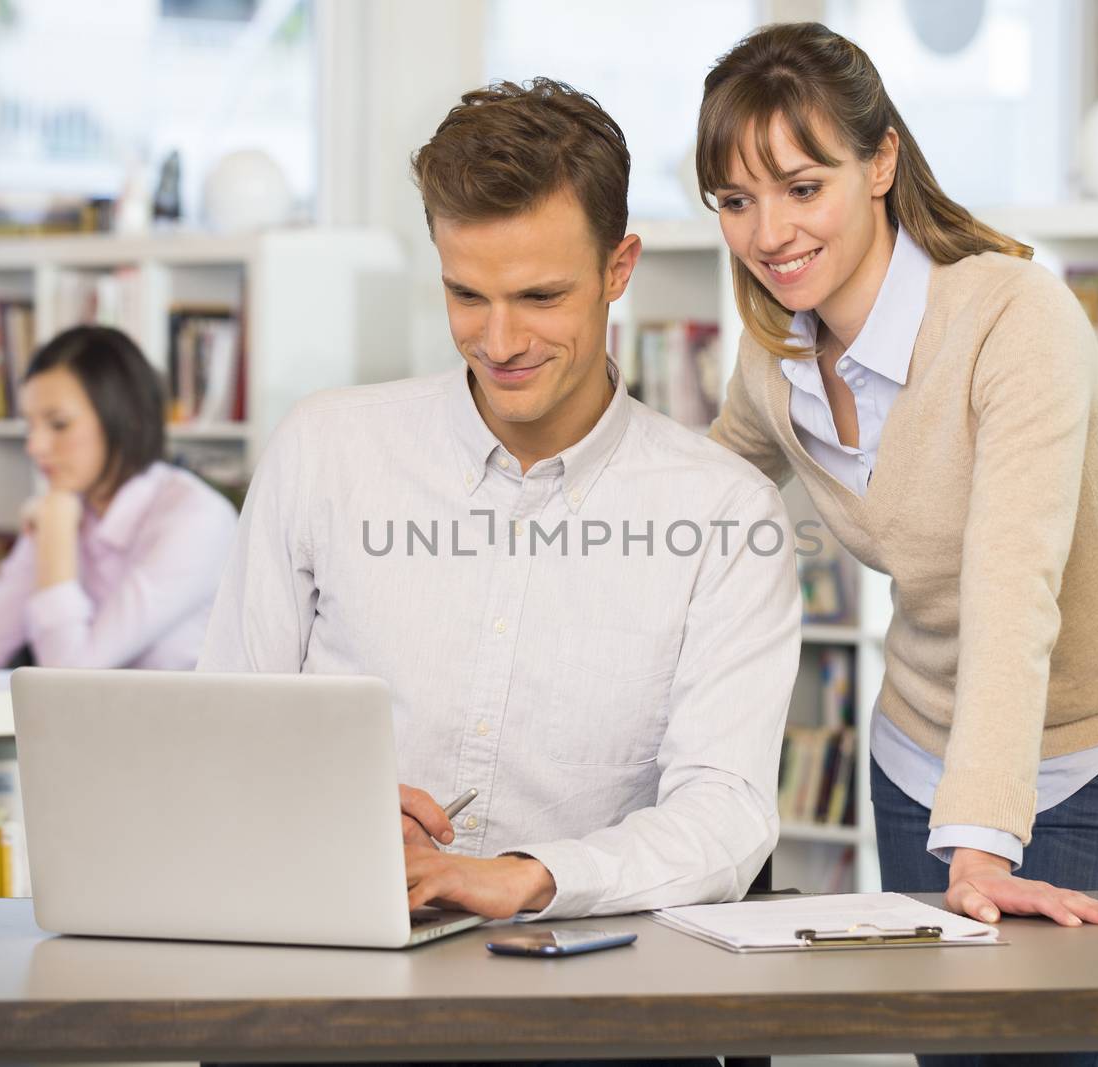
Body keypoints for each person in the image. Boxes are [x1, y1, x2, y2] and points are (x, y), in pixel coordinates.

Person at [698, 23, 1098, 1067]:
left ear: (882, 160)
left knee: (1031, 1057)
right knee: (948, 1055)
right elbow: (689, 502)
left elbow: (1011, 584)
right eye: (734, 200)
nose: (768, 232)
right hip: (919, 750)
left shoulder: (1011, 316)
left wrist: (979, 845)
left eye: (803, 187)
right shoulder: (777, 356)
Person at [198, 78, 800, 922]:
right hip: (340, 949)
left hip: (588, 989)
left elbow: (727, 815)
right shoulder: (324, 451)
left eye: (540, 297)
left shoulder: (724, 518)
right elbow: (222, 731)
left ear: (617, 268)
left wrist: (532, 875)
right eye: (467, 295)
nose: (501, 341)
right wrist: (322, 806)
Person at [0, 325, 238, 673]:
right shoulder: (69, 506)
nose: (35, 446)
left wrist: (55, 533)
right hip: (95, 724)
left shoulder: (196, 519)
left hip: (182, 726)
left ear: (121, 419)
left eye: (58, 424)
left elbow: (69, 672)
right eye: (30, 425)